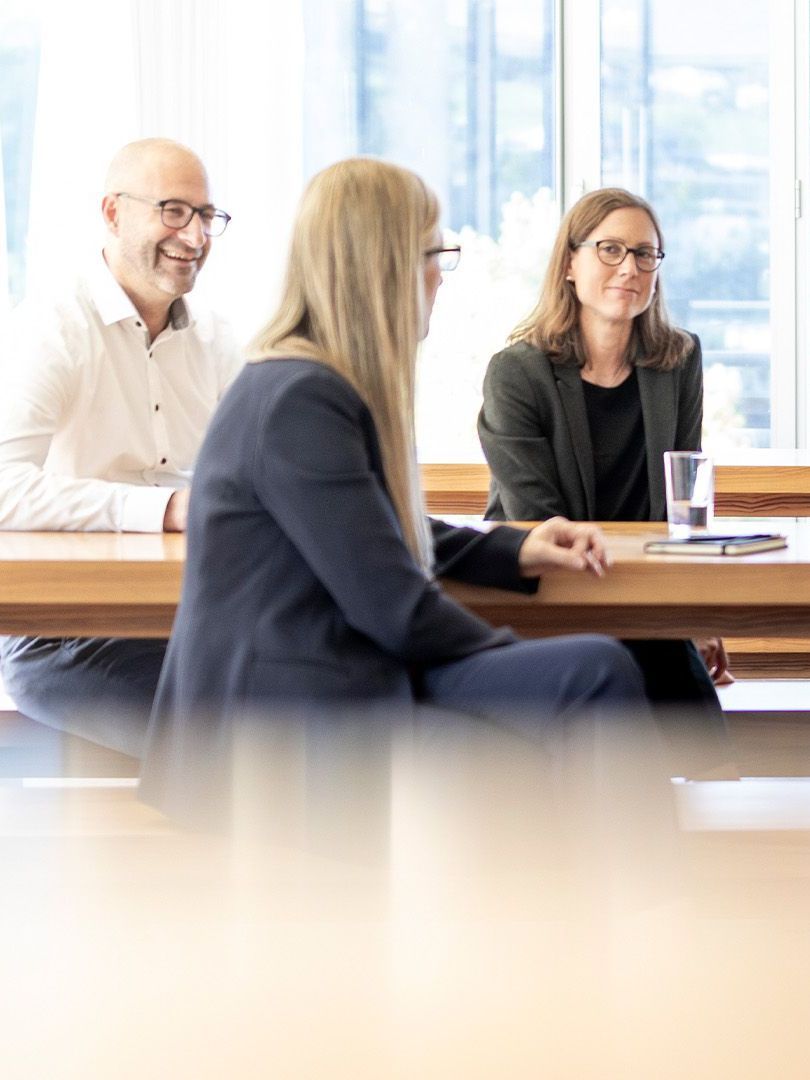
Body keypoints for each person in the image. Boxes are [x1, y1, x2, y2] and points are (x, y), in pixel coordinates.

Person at [139, 159, 656, 829]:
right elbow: (397, 610)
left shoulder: (307, 381)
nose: (441, 275)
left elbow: (363, 528)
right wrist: (516, 654)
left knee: (585, 676)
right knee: (592, 672)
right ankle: (646, 918)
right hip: (284, 724)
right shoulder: (302, 398)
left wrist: (517, 549)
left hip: (319, 684)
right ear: (385, 267)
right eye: (435, 253)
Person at [0, 138, 244, 758]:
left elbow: (252, 475)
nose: (194, 237)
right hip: (63, 632)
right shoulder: (51, 327)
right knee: (236, 739)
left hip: (196, 616)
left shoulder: (218, 341)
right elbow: (2, 489)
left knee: (327, 704)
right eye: (173, 210)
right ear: (113, 213)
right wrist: (164, 511)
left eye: (205, 216)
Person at [478, 186, 732, 759]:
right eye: (610, 250)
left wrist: (695, 614)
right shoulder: (518, 372)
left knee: (684, 693)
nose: (630, 268)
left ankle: (709, 828)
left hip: (642, 599)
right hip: (547, 595)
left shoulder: (679, 360)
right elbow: (537, 523)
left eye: (646, 254)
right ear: (570, 264)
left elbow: (678, 507)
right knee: (653, 679)